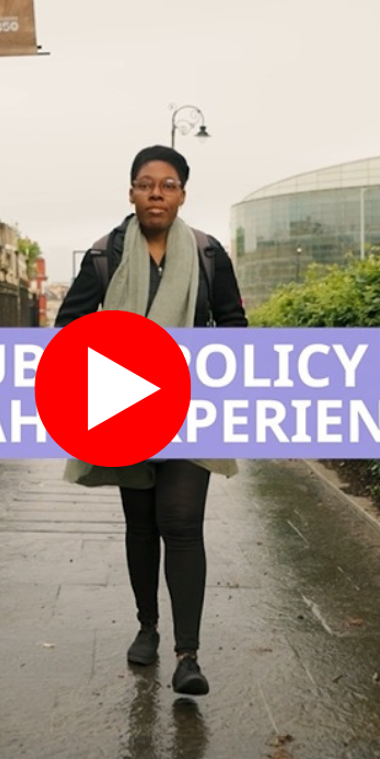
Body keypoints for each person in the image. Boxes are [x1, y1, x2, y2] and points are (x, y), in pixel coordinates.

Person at [55, 145, 247, 695]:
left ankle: (189, 654)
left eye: (167, 185)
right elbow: (69, 328)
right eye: (146, 184)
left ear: (182, 194)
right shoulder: (103, 258)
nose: (156, 193)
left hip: (190, 409)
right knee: (141, 525)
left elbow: (234, 324)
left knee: (182, 524)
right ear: (132, 193)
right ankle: (148, 627)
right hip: (126, 410)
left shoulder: (209, 254)